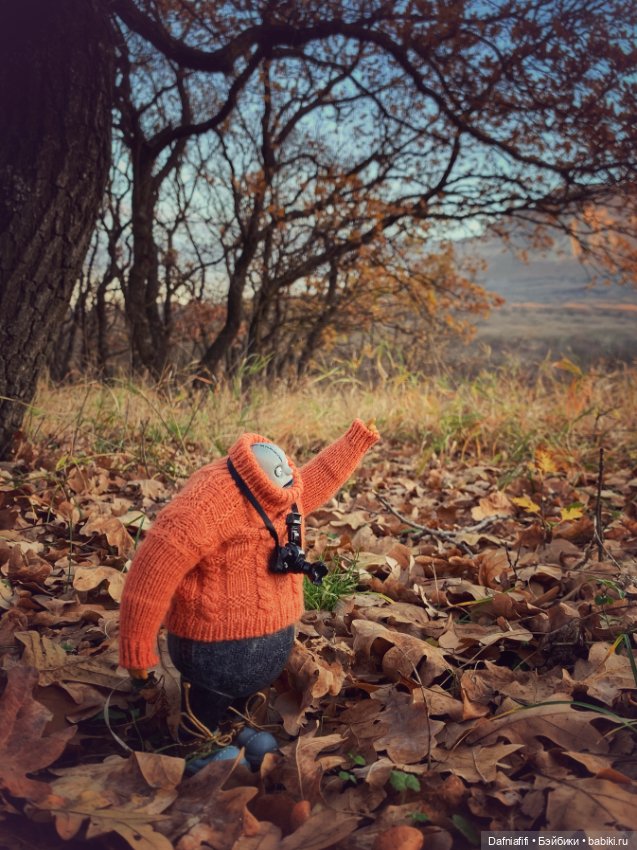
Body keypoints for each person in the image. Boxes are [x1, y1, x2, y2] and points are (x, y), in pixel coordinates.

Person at [118, 418, 380, 741]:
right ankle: (200, 741)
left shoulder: (286, 492)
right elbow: (156, 564)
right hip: (211, 646)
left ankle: (237, 723)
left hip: (268, 641)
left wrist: (355, 442)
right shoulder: (211, 498)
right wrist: (137, 646)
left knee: (239, 700)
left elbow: (319, 478)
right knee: (207, 703)